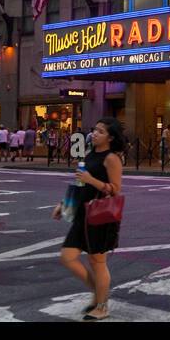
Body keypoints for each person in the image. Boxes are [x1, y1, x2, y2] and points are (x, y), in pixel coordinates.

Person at [56, 118, 125, 320]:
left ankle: (102, 306)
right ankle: (98, 293)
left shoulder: (112, 159)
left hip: (100, 215)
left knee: (97, 262)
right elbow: (80, 184)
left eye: (101, 132)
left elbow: (115, 189)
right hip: (82, 214)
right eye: (95, 129)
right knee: (68, 257)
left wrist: (91, 180)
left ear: (110, 138)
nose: (95, 133)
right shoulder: (90, 154)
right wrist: (63, 204)